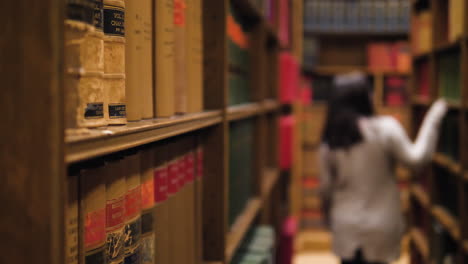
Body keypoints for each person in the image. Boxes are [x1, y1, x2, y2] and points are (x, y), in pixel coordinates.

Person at [318, 72, 447, 264]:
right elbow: (416, 159)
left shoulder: (331, 139)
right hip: (381, 223)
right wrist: (434, 118)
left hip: (345, 223)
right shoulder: (385, 129)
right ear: (364, 99)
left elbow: (325, 189)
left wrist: (328, 219)